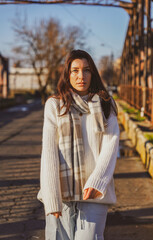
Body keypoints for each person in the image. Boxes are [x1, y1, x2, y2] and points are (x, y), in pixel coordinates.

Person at [37, 49, 120, 240]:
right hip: (61, 192)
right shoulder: (55, 105)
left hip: (94, 193)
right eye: (75, 70)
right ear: (67, 74)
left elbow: (110, 144)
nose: (81, 76)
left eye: (86, 70)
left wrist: (97, 181)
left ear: (93, 73)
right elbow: (49, 152)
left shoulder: (106, 104)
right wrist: (51, 198)